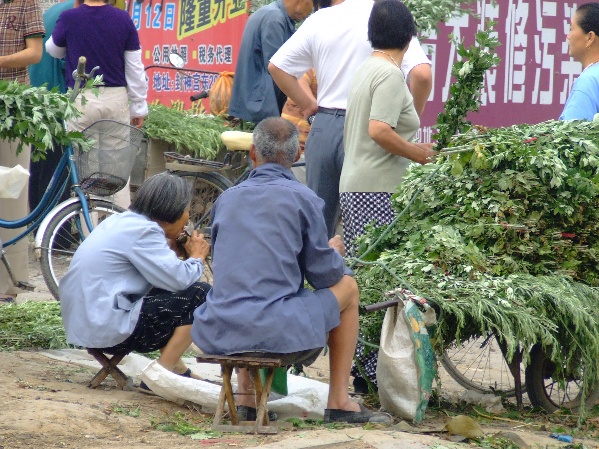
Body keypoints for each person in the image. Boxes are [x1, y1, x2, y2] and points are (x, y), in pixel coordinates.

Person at [192, 117, 391, 424]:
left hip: (219, 328)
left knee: (247, 289)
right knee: (348, 288)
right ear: (297, 155)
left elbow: (230, 263)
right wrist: (333, 254)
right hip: (274, 331)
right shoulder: (303, 198)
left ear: (253, 153)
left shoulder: (227, 199)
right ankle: (339, 401)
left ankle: (246, 399)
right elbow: (324, 275)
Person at [269, 0, 432, 239]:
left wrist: (309, 104)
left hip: (324, 127)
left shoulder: (321, 18)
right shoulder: (385, 17)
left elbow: (277, 67)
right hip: (369, 132)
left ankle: (312, 276)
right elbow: (422, 74)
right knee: (368, 235)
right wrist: (408, 120)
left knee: (317, 228)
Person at [341, 0, 436, 392]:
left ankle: (362, 370)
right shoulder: (391, 76)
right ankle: (365, 374)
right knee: (377, 282)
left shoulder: (367, 68)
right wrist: (419, 153)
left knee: (364, 278)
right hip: (375, 189)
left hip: (360, 184)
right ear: (410, 36)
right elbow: (379, 130)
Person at [59, 173, 211, 379]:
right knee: (200, 294)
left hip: (84, 325)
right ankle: (160, 376)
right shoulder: (145, 231)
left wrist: (174, 251)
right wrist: (197, 257)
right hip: (106, 328)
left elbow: (160, 275)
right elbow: (179, 280)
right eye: (186, 211)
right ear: (172, 211)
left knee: (168, 292)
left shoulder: (121, 221)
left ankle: (178, 368)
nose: (187, 219)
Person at [46, 0, 148, 209]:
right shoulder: (123, 18)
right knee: (116, 172)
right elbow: (135, 68)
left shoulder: (69, 17)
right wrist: (138, 105)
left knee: (85, 172)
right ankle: (118, 227)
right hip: (116, 98)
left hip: (82, 99)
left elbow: (53, 50)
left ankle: (88, 231)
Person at [0, 0, 45, 303]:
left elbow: (35, 53)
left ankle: (9, 284)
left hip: (15, 107)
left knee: (11, 193)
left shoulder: (25, 3)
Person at [227, 0, 314, 125]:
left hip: (253, 100)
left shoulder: (271, 14)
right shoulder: (274, 19)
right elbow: (279, 68)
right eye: (312, 5)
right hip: (261, 104)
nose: (310, 13)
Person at [28, 0, 76, 215]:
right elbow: (70, 63)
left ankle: (36, 223)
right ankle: (55, 237)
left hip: (37, 96)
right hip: (56, 99)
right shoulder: (74, 14)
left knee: (38, 166)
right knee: (58, 170)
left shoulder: (56, 10)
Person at [560, 2, 599, 120]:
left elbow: (571, 136)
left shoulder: (588, 81)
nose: (568, 36)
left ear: (590, 37)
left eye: (571, 29)